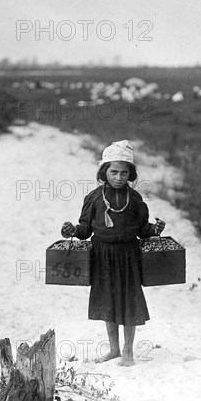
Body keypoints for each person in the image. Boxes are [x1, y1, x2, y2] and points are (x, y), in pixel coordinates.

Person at [61, 140, 166, 367]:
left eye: (124, 172)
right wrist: (71, 231)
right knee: (108, 302)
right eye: (114, 172)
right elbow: (84, 231)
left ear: (130, 174)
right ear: (104, 172)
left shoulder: (135, 199)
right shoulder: (95, 198)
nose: (118, 177)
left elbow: (142, 230)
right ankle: (114, 349)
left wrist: (155, 229)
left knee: (129, 303)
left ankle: (128, 350)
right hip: (102, 256)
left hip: (128, 255)